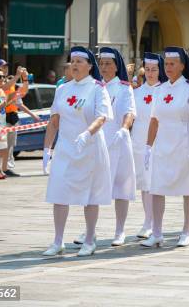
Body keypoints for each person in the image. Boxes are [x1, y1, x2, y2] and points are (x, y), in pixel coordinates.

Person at [42, 46, 113, 257]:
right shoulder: (62, 89)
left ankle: (89, 239)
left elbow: (102, 117)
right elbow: (54, 121)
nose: (74, 65)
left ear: (90, 66)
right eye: (72, 61)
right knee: (59, 191)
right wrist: (47, 149)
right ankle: (57, 241)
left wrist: (87, 134)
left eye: (79, 61)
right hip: (65, 148)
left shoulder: (98, 88)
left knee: (90, 195)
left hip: (90, 148)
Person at [142, 46, 189, 248]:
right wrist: (148, 147)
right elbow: (154, 120)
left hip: (184, 143)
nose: (168, 67)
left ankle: (186, 230)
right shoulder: (160, 89)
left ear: (182, 65)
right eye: (166, 64)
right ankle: (157, 232)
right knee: (157, 188)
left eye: (172, 64)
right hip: (162, 145)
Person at [85, 47, 136, 247]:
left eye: (108, 64)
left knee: (121, 187)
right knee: (93, 187)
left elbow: (129, 113)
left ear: (117, 66)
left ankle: (120, 230)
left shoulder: (124, 88)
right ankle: (90, 231)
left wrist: (124, 129)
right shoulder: (94, 87)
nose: (104, 67)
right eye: (102, 63)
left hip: (118, 141)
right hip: (97, 142)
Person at [131, 52, 167, 240]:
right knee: (144, 184)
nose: (151, 73)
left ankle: (154, 222)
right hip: (138, 142)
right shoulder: (136, 92)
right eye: (149, 70)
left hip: (158, 142)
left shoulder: (164, 91)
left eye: (155, 70)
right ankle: (147, 220)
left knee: (155, 183)